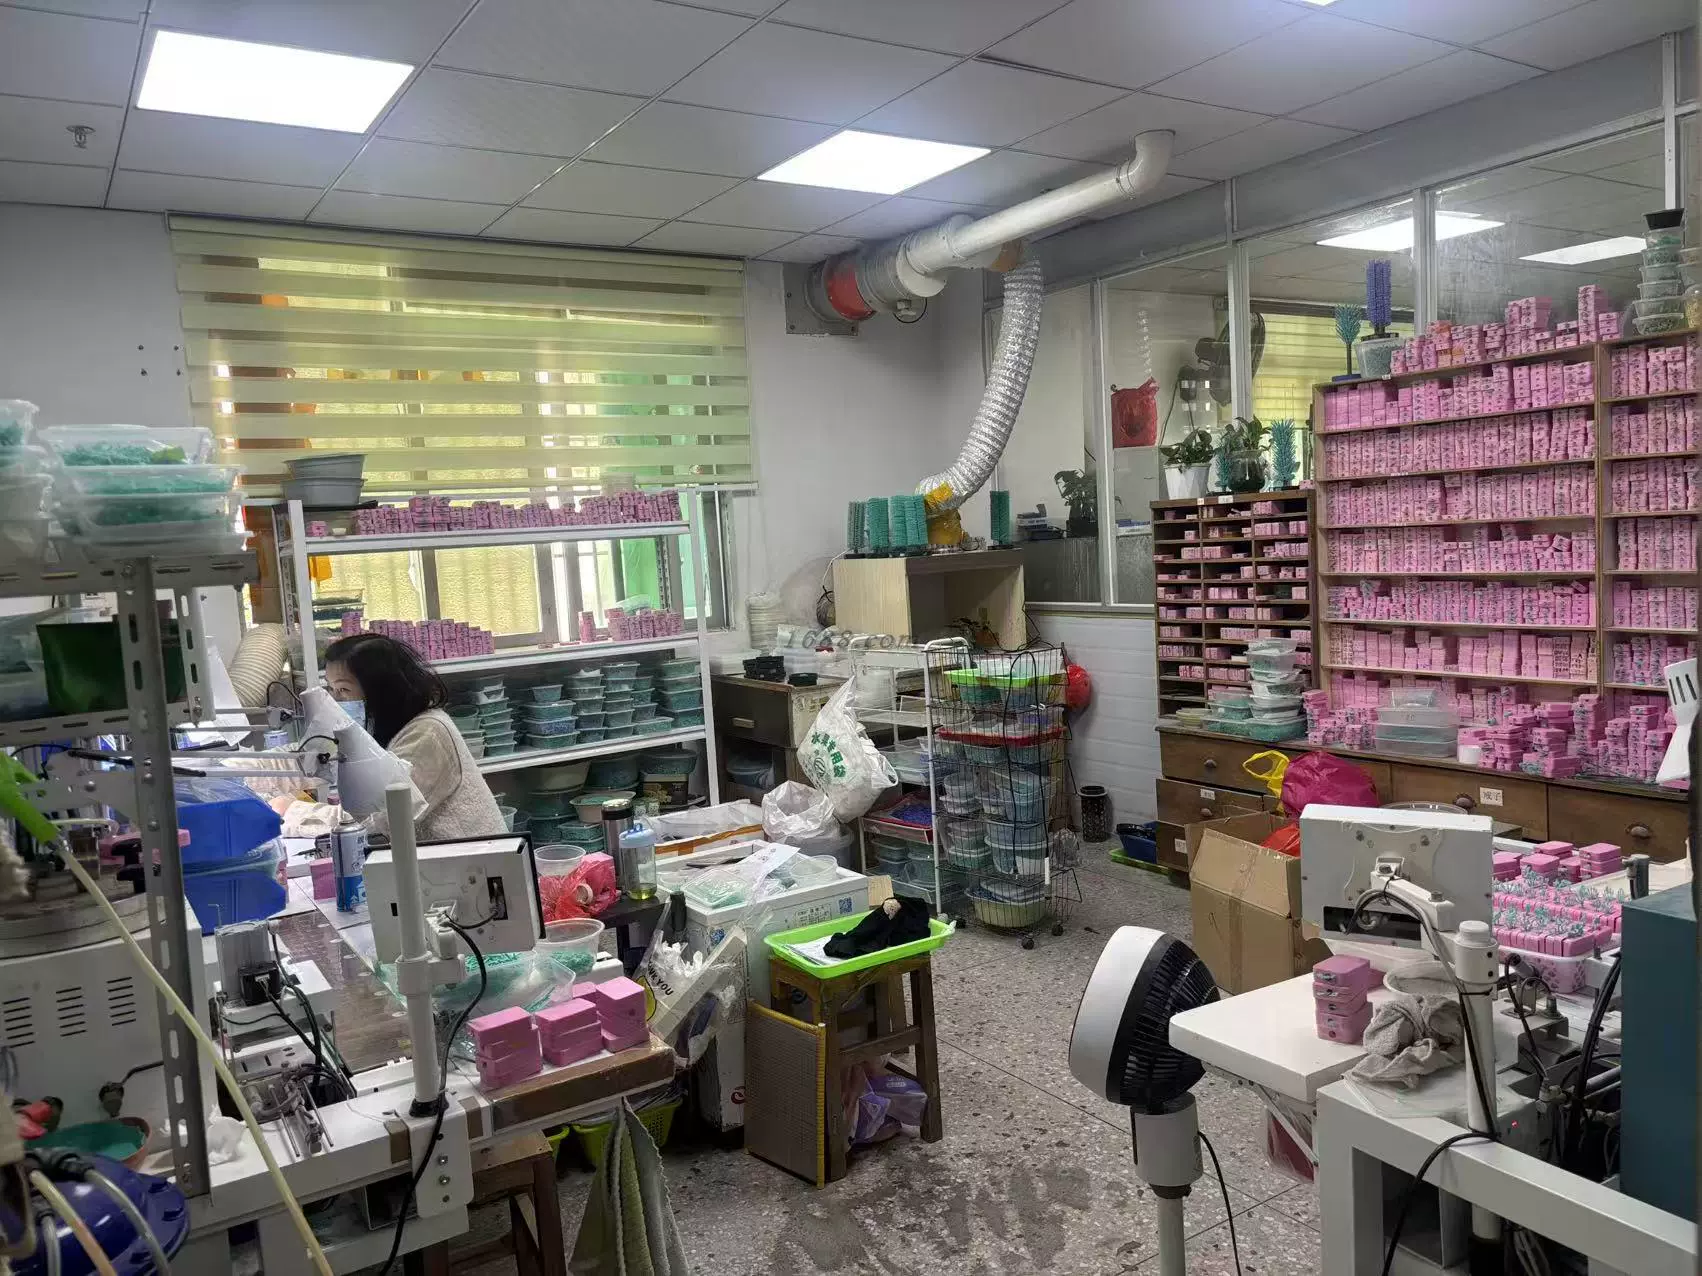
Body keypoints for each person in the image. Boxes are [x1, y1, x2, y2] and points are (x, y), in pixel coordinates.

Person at [323, 633, 505, 841]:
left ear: (379, 690)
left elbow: (385, 817)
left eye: (343, 689)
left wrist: (305, 815)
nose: (335, 700)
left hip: (472, 857)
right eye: (331, 689)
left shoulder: (427, 733)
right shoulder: (384, 725)